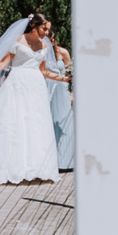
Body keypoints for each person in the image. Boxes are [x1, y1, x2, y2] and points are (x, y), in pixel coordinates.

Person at [0, 14, 66, 184]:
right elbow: (3, 63)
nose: (47, 32)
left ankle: (36, 167)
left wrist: (65, 79)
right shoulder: (18, 39)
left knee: (35, 124)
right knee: (11, 123)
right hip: (16, 84)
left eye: (48, 29)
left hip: (36, 87)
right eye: (44, 28)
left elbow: (44, 71)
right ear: (34, 25)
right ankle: (7, 167)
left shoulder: (44, 44)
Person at [45, 29, 75, 171]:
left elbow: (71, 73)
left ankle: (68, 162)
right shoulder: (41, 53)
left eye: (49, 40)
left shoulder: (63, 52)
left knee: (65, 124)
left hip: (62, 90)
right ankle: (54, 162)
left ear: (53, 40)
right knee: (49, 123)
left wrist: (72, 93)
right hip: (47, 89)